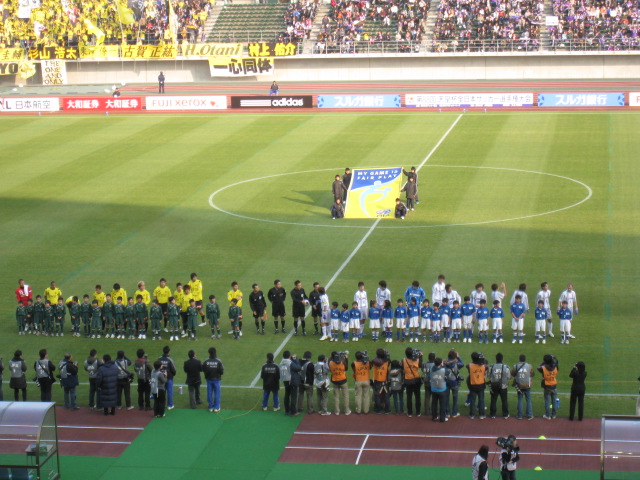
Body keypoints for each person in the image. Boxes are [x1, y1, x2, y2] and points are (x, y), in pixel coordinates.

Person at [511, 354, 534, 420]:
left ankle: (520, 415)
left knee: (520, 399)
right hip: (527, 385)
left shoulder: (515, 366)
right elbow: (532, 374)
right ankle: (529, 415)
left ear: (519, 359)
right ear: (525, 359)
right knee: (528, 400)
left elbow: (512, 374)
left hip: (519, 385)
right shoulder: (529, 366)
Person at [489, 353, 511, 419]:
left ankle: (492, 414)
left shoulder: (492, 366)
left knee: (493, 400)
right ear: (502, 359)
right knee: (504, 400)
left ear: (496, 359)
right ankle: (505, 414)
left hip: (494, 385)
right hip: (503, 386)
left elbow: (488, 375)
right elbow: (509, 377)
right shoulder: (506, 367)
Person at [202, 347, 224, 412]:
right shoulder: (218, 361)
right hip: (217, 379)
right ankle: (216, 407)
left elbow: (203, 369)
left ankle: (210, 407)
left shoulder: (206, 361)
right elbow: (222, 371)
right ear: (215, 352)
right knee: (217, 393)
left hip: (209, 379)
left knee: (209, 392)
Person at [402, 347, 422, 417]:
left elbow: (402, 367)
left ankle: (410, 413)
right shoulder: (417, 360)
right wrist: (420, 356)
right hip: (416, 380)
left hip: (408, 380)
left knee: (409, 397)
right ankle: (418, 412)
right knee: (417, 397)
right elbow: (420, 365)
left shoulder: (403, 360)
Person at [329, 351, 350, 415]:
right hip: (343, 380)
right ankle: (346, 411)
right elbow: (346, 368)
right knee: (345, 396)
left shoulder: (330, 363)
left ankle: (337, 411)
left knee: (336, 396)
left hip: (335, 380)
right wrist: (345, 358)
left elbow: (330, 360)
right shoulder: (342, 362)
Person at [444, 349, 464, 418]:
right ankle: (454, 413)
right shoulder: (457, 364)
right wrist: (458, 357)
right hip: (454, 382)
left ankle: (447, 413)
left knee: (446, 398)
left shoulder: (445, 363)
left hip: (446, 382)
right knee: (455, 398)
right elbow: (462, 364)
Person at [538, 354, 559, 419]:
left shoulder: (543, 368)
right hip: (554, 385)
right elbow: (556, 361)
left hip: (547, 386)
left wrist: (544, 362)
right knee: (554, 401)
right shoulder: (556, 367)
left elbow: (538, 367)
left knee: (547, 401)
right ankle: (554, 415)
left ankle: (548, 415)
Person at [467, 352, 487, 419]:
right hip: (481, 385)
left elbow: (468, 365)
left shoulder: (469, 365)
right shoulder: (484, 366)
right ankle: (481, 415)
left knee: (472, 400)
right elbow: (486, 364)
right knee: (481, 400)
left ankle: (472, 415)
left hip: (473, 385)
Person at [372, 348, 390, 414]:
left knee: (377, 396)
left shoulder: (374, 361)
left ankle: (378, 410)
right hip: (385, 380)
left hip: (377, 380)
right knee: (386, 396)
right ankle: (387, 410)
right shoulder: (387, 361)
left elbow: (375, 360)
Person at [158, 346, 177, 410]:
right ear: (169, 352)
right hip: (169, 378)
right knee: (170, 391)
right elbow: (174, 369)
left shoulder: (159, 359)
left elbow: (156, 367)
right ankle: (170, 405)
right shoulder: (170, 360)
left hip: (161, 378)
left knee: (162, 391)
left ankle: (162, 405)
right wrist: (172, 374)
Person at [430, 357, 448, 422]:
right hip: (442, 389)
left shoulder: (431, 369)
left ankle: (434, 417)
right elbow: (447, 375)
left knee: (434, 404)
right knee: (442, 404)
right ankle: (442, 418)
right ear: (440, 364)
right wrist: (443, 365)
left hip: (434, 389)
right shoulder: (444, 370)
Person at [280, 351, 294, 415]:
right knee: (292, 395)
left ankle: (287, 410)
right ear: (289, 356)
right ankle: (291, 410)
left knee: (287, 394)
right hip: (290, 379)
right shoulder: (290, 362)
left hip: (284, 379)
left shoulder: (281, 362)